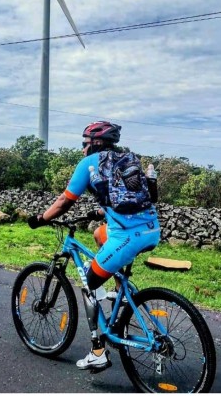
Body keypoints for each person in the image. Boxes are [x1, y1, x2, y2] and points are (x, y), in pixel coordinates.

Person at [27, 121, 160, 372]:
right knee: (100, 234)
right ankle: (119, 296)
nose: (82, 149)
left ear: (94, 144)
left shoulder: (87, 164)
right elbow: (130, 198)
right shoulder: (127, 160)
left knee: (89, 282)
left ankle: (97, 351)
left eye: (83, 144)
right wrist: (100, 211)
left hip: (129, 236)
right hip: (151, 230)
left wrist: (40, 219)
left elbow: (64, 201)